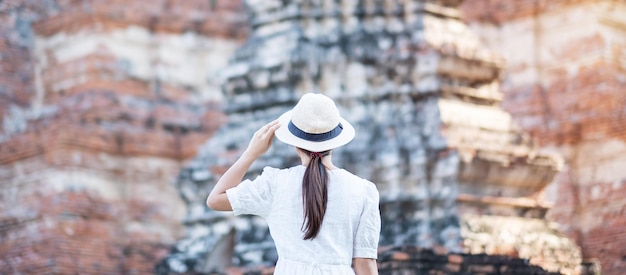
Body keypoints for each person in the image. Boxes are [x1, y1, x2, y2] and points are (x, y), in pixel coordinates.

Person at [207, 93, 381, 275]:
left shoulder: (274, 184)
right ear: (335, 141)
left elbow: (215, 199)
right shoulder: (363, 190)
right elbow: (365, 263)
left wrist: (251, 153)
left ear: (295, 144)